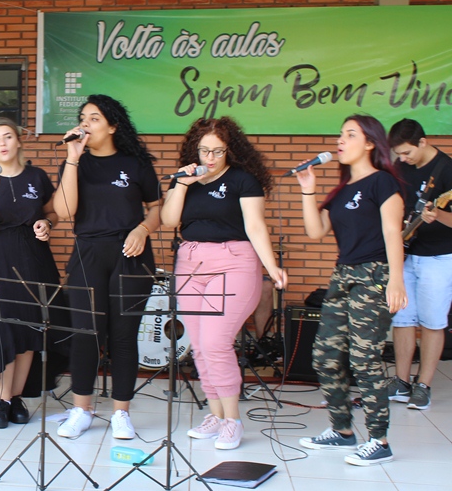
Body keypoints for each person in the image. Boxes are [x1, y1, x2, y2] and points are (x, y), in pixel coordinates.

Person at [161, 117, 287, 450]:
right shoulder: (187, 179)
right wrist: (182, 184)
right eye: (204, 150)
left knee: (216, 342)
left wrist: (272, 266)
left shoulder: (242, 180)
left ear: (230, 150)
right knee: (200, 346)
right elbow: (169, 220)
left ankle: (233, 421)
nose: (211, 157)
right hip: (190, 262)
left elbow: (255, 226)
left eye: (218, 151)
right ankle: (215, 416)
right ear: (195, 150)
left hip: (233, 261)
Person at [295, 114, 407, 466]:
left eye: (350, 134)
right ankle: (342, 431)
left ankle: (379, 440)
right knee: (324, 356)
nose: (340, 141)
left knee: (364, 359)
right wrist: (307, 188)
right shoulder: (342, 190)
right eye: (340, 134)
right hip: (342, 276)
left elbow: (392, 232)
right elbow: (316, 230)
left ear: (370, 143)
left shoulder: (383, 183)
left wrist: (396, 279)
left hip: (374, 275)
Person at [53, 94, 162, 439]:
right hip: (88, 253)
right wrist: (72, 159)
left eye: (94, 118)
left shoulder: (135, 163)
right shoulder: (76, 163)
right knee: (86, 334)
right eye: (83, 118)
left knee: (124, 336)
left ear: (113, 126)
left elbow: (157, 207)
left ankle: (120, 413)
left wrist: (143, 229)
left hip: (131, 254)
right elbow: (65, 211)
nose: (85, 124)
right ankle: (81, 410)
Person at [0, 118, 61, 428]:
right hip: (0, 259)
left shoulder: (36, 176)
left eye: (7, 136)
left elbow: (52, 211)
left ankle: (16, 396)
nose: (3, 143)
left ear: (18, 141)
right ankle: (2, 399)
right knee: (4, 329)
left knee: (29, 329)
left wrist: (47, 223)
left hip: (35, 259)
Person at [387, 118, 452, 411]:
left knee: (432, 321)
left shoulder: (446, 170)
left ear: (422, 142)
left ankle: (423, 385)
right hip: (405, 253)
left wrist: (438, 215)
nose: (402, 159)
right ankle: (401, 382)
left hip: (439, 256)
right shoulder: (401, 168)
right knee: (402, 319)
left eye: (407, 153)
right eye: (399, 154)